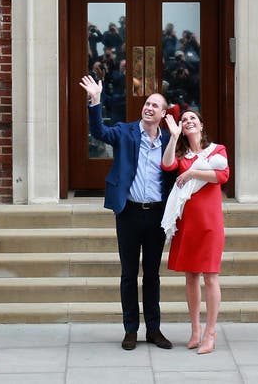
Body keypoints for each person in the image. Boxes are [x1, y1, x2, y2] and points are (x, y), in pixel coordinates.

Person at [79, 75, 175, 351]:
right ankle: (131, 329)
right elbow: (99, 132)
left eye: (155, 105)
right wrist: (96, 100)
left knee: (153, 275)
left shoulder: (169, 140)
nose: (149, 107)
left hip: (157, 215)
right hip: (129, 213)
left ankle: (154, 330)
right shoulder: (125, 131)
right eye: (147, 103)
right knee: (129, 273)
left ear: (163, 114)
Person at [161, 109, 229, 355]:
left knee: (210, 276)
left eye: (193, 119)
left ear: (201, 124)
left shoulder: (216, 151)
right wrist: (172, 136)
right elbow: (167, 164)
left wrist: (191, 173)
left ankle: (211, 332)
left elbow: (221, 176)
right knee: (191, 276)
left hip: (210, 224)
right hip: (188, 224)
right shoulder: (182, 154)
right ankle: (195, 330)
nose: (188, 121)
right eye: (184, 120)